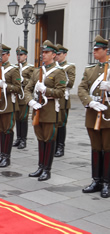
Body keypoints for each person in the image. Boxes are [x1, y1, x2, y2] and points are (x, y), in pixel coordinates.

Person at [25, 40, 66, 181]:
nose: (43, 54)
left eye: (47, 52)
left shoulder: (59, 72)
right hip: (37, 110)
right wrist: (30, 101)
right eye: (42, 52)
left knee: (49, 140)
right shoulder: (37, 71)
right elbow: (28, 88)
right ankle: (40, 167)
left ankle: (47, 170)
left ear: (54, 55)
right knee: (40, 139)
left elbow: (61, 92)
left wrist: (46, 90)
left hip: (49, 111)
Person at [78, 35, 110, 198]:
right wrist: (90, 102)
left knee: (108, 148)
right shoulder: (90, 70)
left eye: (98, 50)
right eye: (94, 49)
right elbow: (82, 88)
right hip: (93, 114)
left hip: (107, 116)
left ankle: (107, 182)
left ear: (106, 50)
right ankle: (96, 180)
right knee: (96, 148)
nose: (95, 52)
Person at [54, 44, 76, 157]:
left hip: (63, 98)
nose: (57, 56)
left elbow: (71, 83)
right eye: (56, 54)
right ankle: (54, 146)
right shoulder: (52, 66)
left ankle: (60, 147)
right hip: (52, 97)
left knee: (61, 123)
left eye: (59, 54)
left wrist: (60, 79)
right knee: (54, 122)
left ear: (65, 54)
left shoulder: (69, 67)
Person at [13, 46, 34, 149]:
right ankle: (18, 138)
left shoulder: (30, 68)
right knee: (17, 118)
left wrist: (23, 80)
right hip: (16, 96)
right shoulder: (14, 67)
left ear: (25, 56)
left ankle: (23, 140)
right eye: (18, 55)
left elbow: (32, 82)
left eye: (21, 55)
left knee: (23, 118)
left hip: (24, 96)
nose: (19, 57)